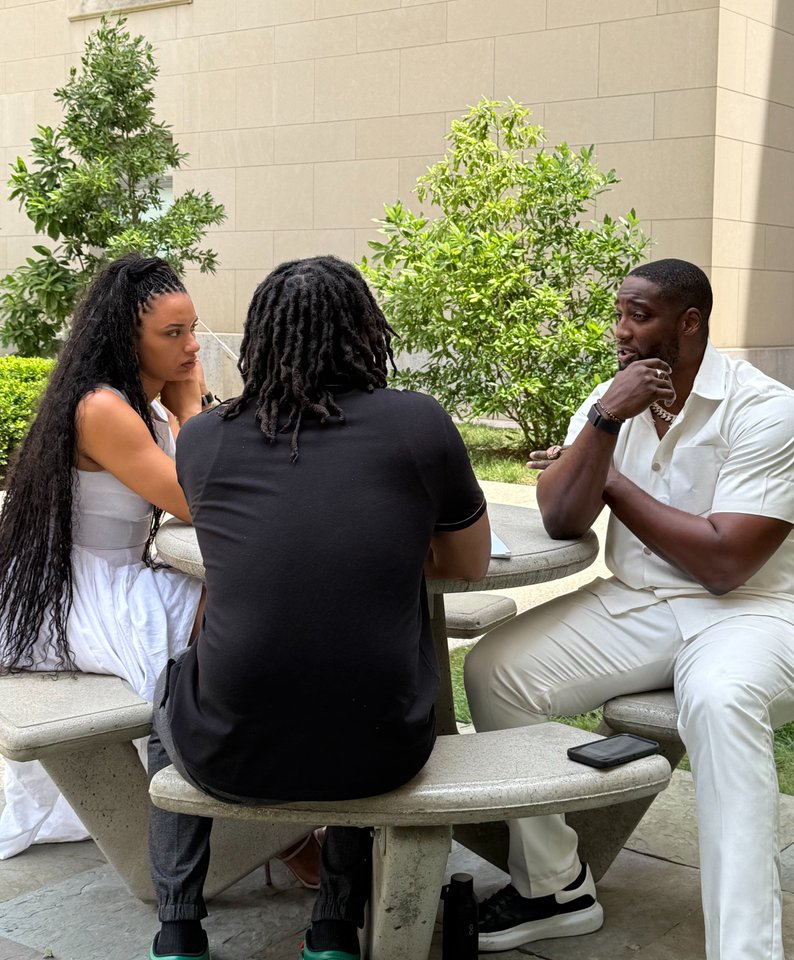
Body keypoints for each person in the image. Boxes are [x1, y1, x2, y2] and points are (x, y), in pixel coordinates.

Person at [464, 259, 794, 960]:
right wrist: (604, 422)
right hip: (640, 603)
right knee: (495, 670)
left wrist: (603, 476)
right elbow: (561, 516)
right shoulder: (615, 400)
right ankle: (555, 885)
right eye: (619, 314)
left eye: (640, 316)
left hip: (761, 612)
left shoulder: (768, 411)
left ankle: (746, 950)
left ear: (689, 322)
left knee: (720, 701)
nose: (621, 332)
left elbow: (725, 563)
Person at [146, 255, 490, 960]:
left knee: (172, 693)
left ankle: (178, 929)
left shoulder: (205, 439)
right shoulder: (417, 422)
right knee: (356, 681)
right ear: (367, 331)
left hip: (226, 754)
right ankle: (333, 923)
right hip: (383, 752)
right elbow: (467, 564)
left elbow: (254, 548)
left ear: (259, 340)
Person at [0, 254, 210, 859]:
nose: (192, 347)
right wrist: (191, 408)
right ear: (127, 337)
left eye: (192, 328)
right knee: (234, 600)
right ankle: (221, 781)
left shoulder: (133, 402)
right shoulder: (103, 409)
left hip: (114, 573)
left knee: (233, 595)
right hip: (82, 591)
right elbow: (199, 501)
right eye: (173, 334)